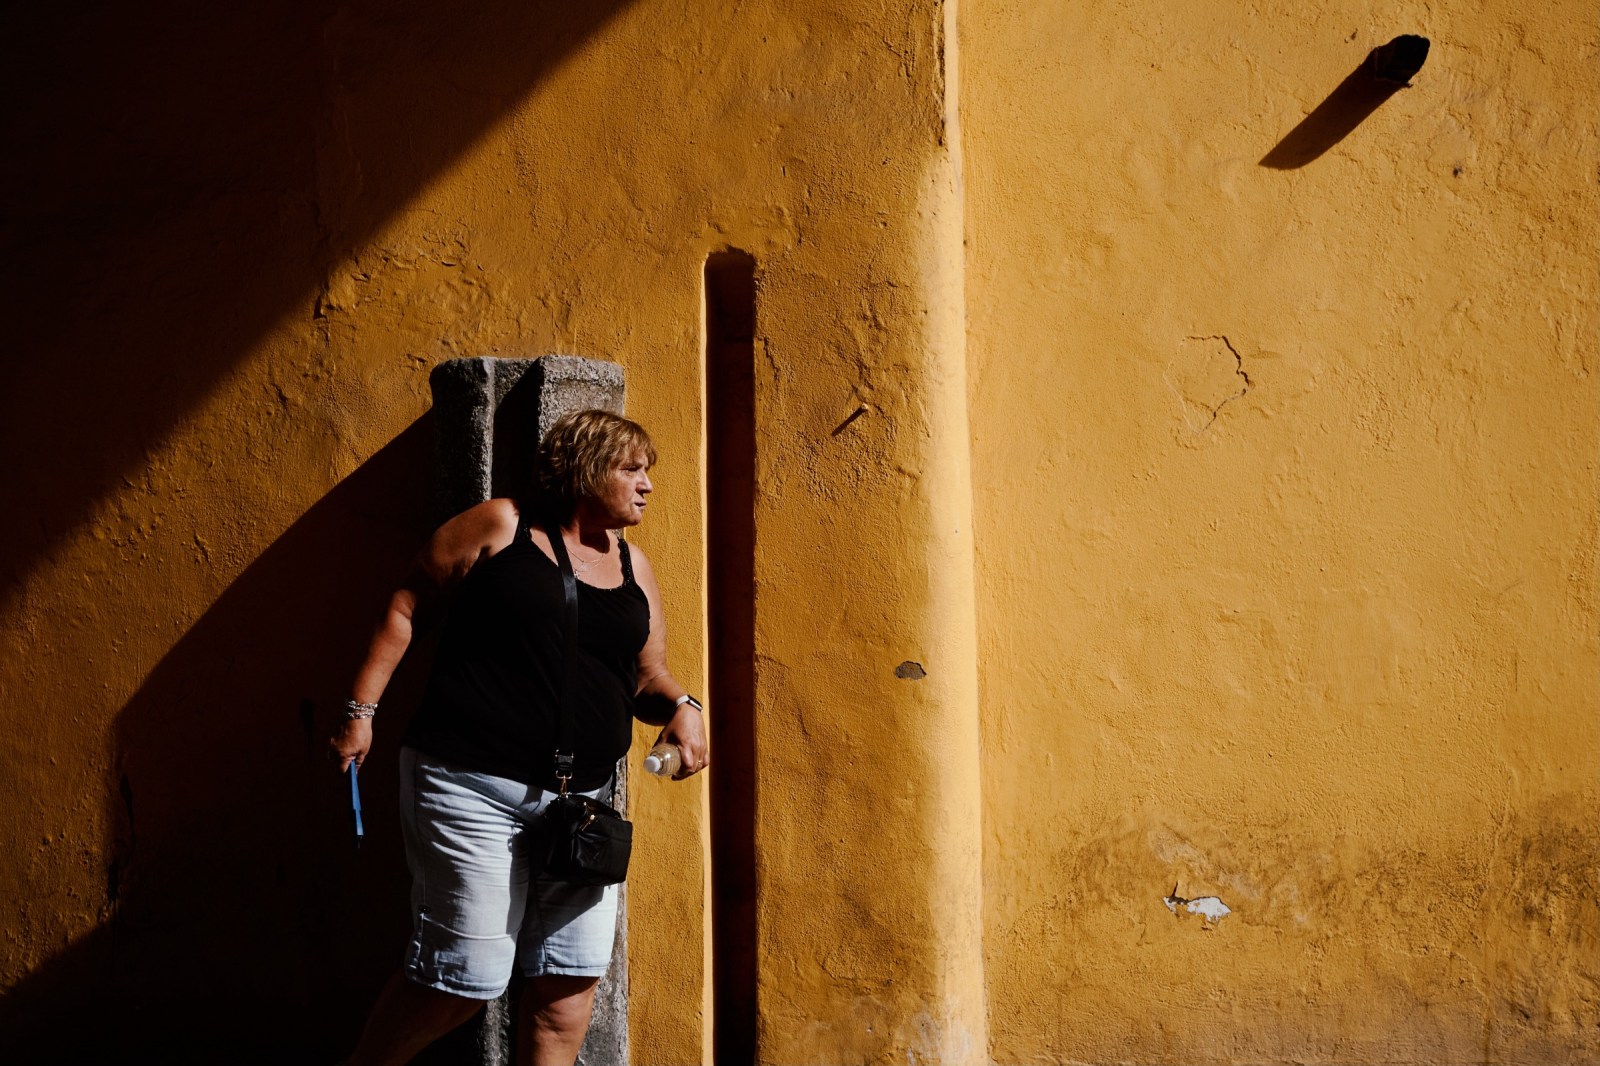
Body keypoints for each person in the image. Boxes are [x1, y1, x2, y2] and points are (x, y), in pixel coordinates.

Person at [328, 409, 708, 1066]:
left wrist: (684, 705)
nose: (647, 485)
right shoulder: (502, 525)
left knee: (568, 992)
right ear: (586, 467)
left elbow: (648, 676)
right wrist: (361, 710)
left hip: (581, 807)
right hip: (470, 785)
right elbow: (406, 606)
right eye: (631, 469)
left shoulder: (633, 566)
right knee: (458, 982)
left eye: (647, 471)